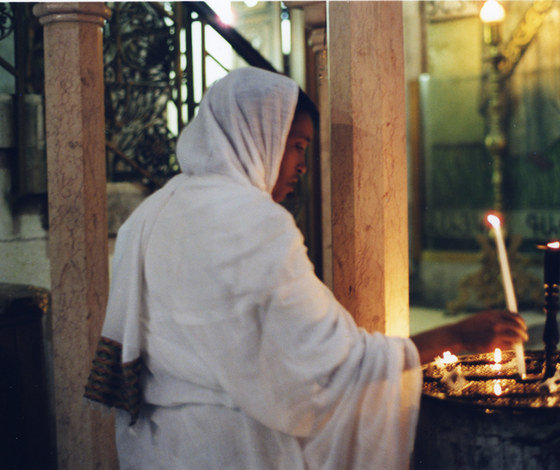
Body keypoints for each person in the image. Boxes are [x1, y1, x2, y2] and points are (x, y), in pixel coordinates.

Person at [85, 67, 527, 469]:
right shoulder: (254, 221)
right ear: (256, 134)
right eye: (296, 146)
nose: (300, 166)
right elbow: (326, 368)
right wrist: (456, 337)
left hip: (159, 451)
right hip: (236, 450)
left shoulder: (149, 214)